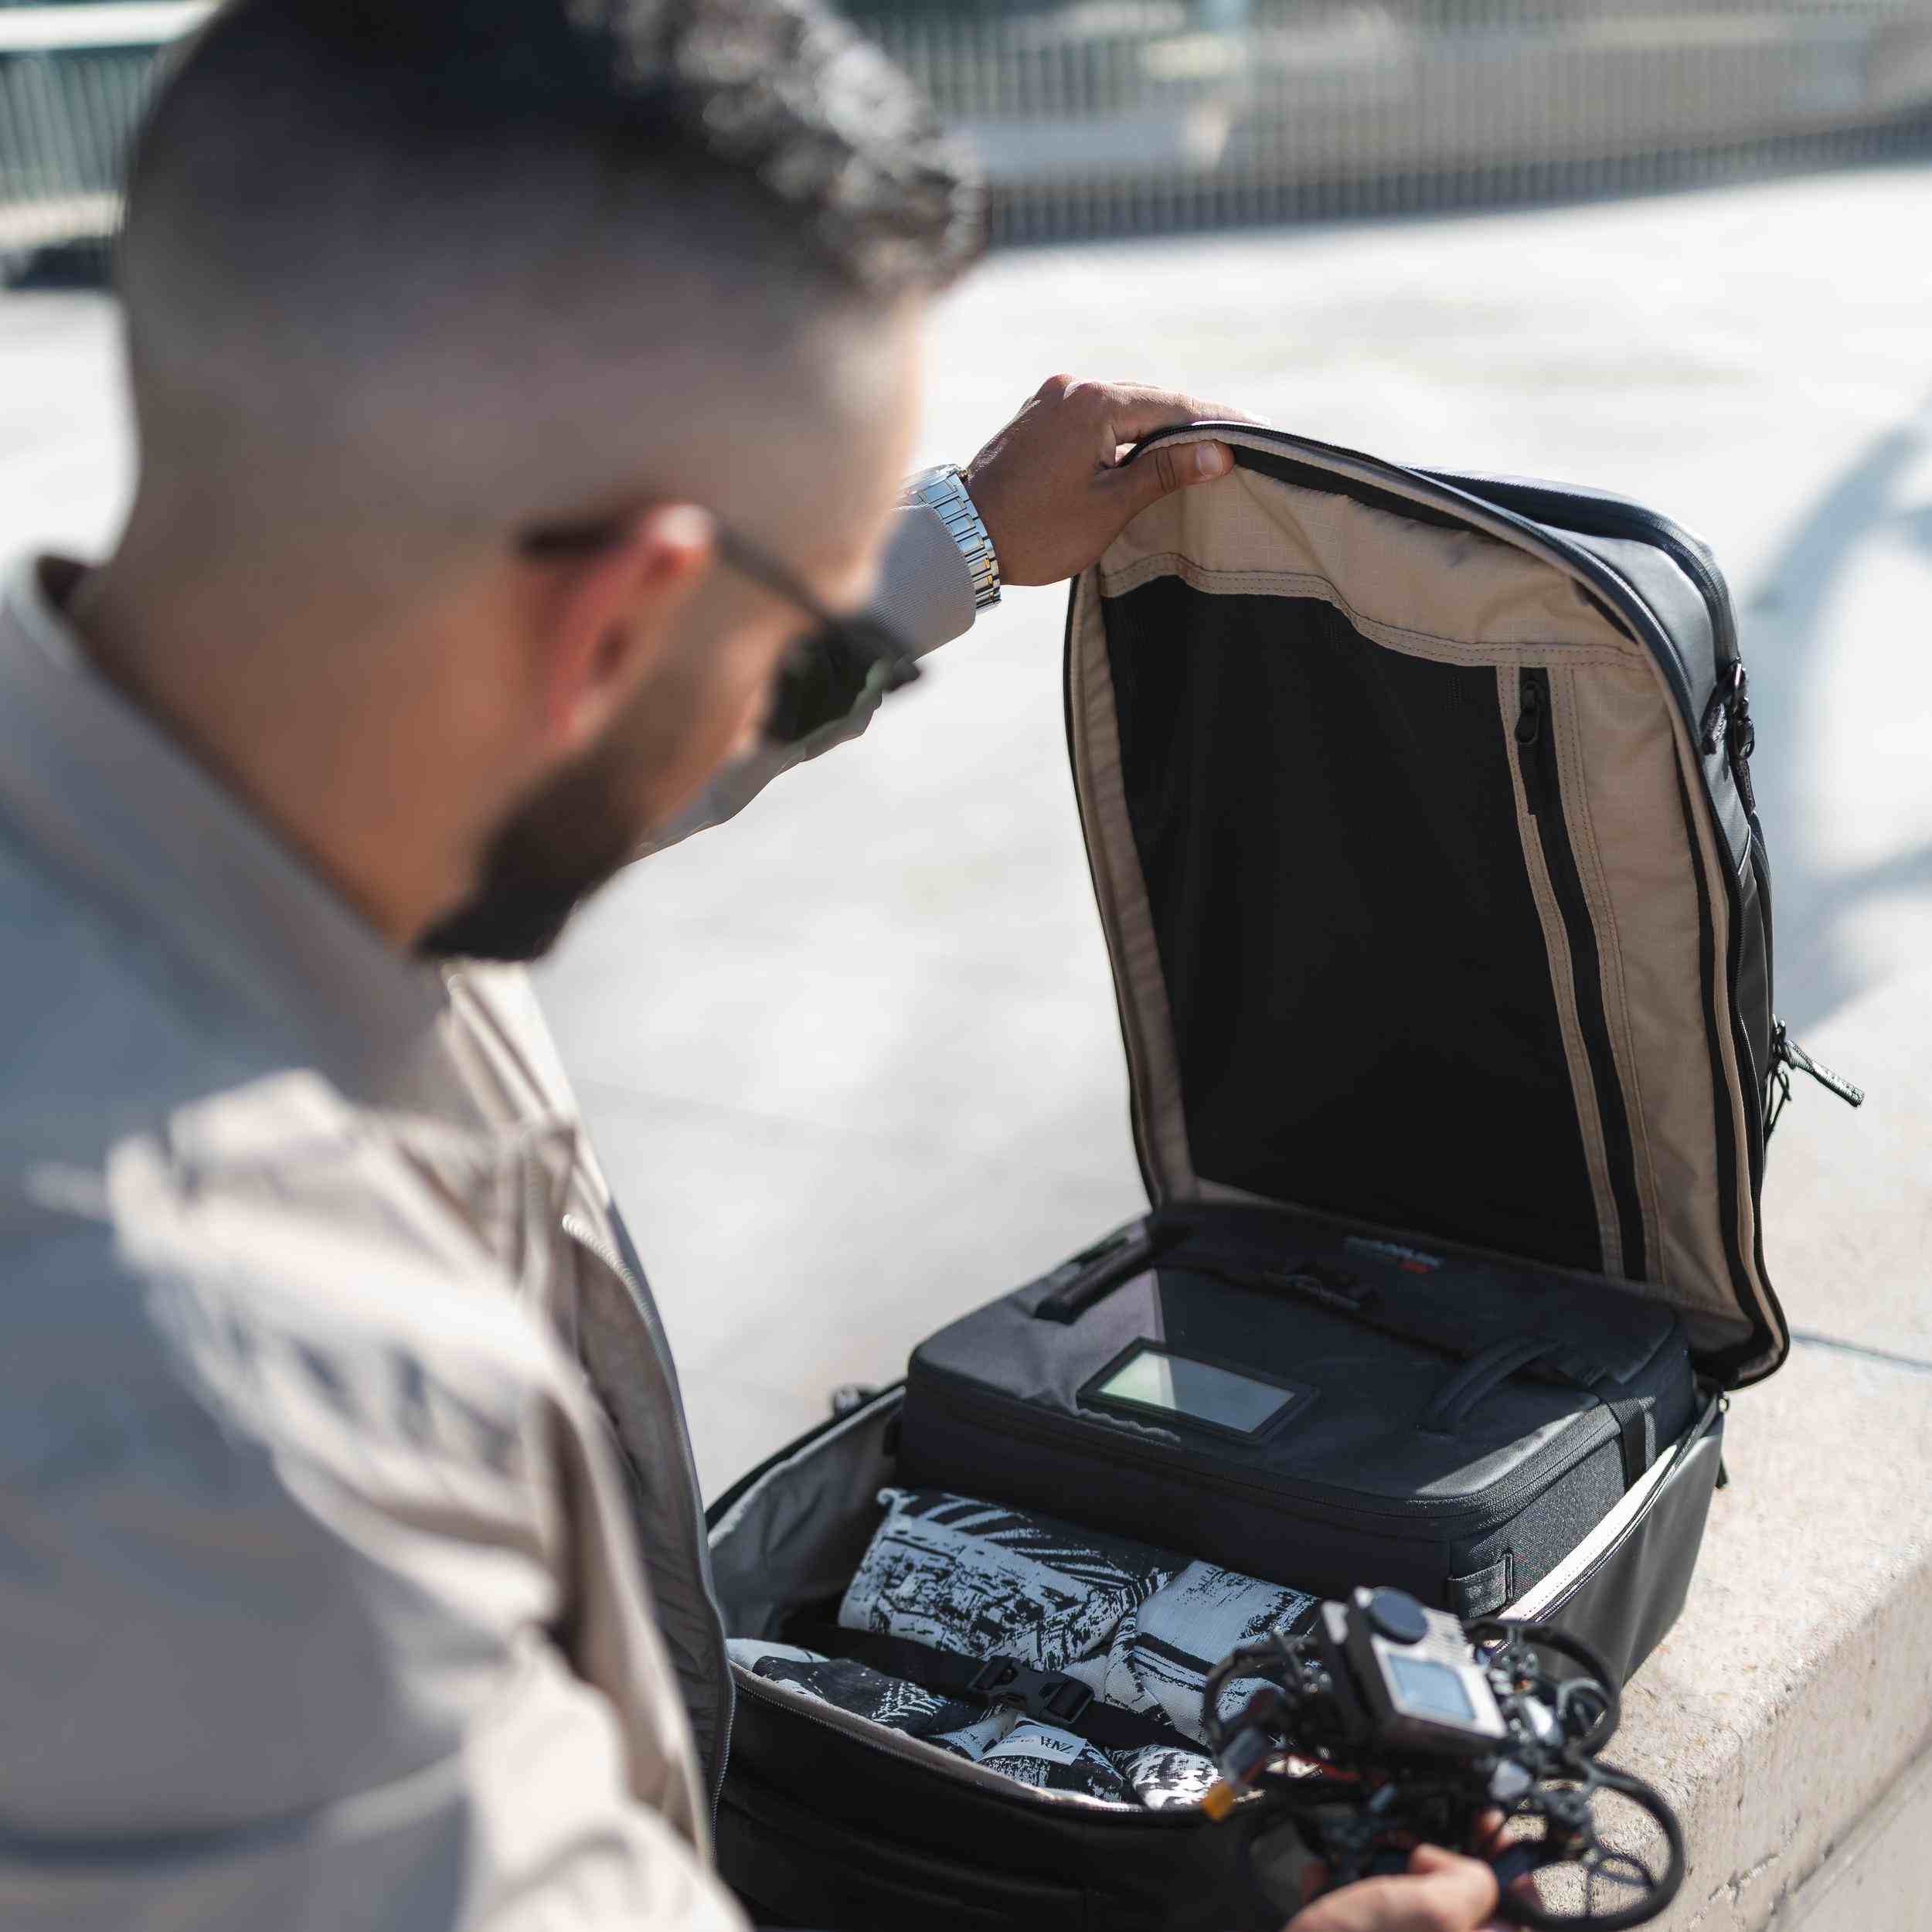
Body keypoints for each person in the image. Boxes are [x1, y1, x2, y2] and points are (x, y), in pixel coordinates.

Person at [0, 2, 1503, 1928]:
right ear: (615, 623)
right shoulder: (231, 1417)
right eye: (794, 612)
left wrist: (950, 541)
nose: (773, 677)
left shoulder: (243, 754)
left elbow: (563, 714)